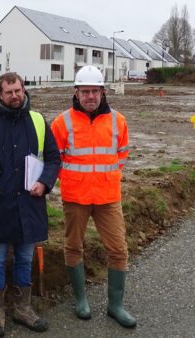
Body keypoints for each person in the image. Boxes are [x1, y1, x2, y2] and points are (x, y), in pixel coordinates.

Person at [0, 72, 61, 337]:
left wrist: (44, 182)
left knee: (24, 258)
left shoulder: (38, 121)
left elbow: (53, 158)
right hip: (0, 205)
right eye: (9, 92)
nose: (15, 96)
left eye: (18, 90)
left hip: (30, 204)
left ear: (24, 90)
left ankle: (23, 308)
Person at [50, 65, 137, 328]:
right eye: (85, 91)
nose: (90, 96)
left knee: (118, 249)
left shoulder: (118, 121)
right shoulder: (62, 122)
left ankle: (116, 305)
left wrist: (105, 177)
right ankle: (81, 300)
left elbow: (122, 154)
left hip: (108, 197)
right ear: (76, 92)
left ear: (103, 92)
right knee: (73, 247)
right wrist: (72, 180)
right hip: (75, 197)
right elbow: (54, 159)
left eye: (95, 91)